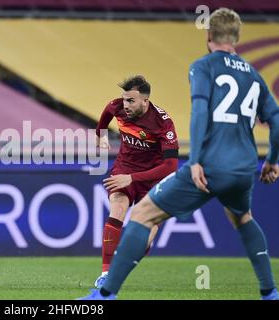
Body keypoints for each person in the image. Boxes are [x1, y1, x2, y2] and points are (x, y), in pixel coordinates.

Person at [80, 7, 279, 300]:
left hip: (210, 164)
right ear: (236, 38)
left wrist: (196, 159)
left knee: (144, 214)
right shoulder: (254, 75)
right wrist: (272, 160)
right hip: (244, 167)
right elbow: (275, 121)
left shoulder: (202, 66)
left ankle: (105, 294)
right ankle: (270, 293)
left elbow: (199, 112)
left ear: (209, 36)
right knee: (244, 218)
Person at [94, 75, 179, 288]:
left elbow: (170, 167)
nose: (125, 105)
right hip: (125, 167)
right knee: (118, 207)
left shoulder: (163, 124)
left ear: (145, 101)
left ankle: (120, 270)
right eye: (124, 99)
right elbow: (107, 112)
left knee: (147, 233)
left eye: (131, 100)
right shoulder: (118, 107)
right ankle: (105, 274)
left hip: (152, 177)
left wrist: (131, 178)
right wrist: (100, 135)